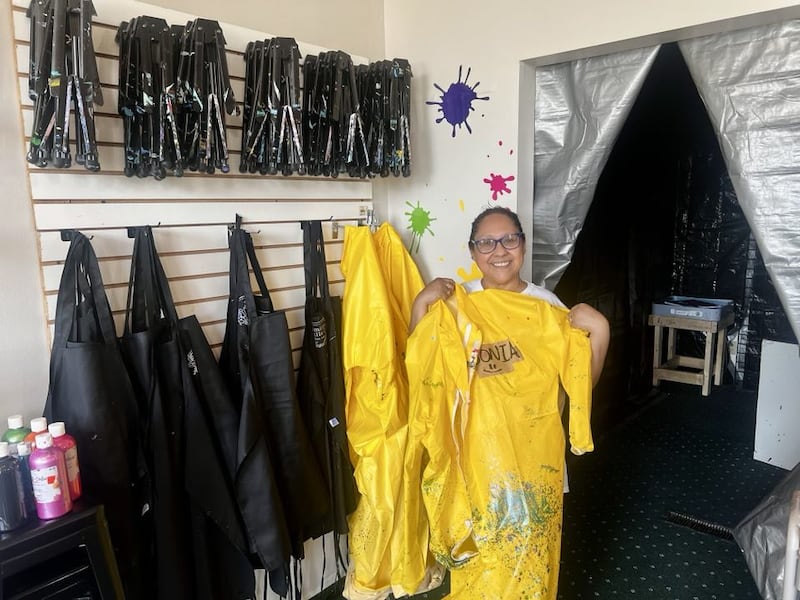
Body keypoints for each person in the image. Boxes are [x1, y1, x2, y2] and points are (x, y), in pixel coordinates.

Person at [410, 205, 609, 386]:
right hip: (469, 426)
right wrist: (421, 303)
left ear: (523, 246)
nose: (500, 251)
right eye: (487, 243)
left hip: (534, 425)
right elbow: (422, 367)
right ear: (473, 252)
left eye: (510, 240)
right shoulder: (455, 302)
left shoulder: (546, 305)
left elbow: (580, 383)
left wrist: (601, 330)